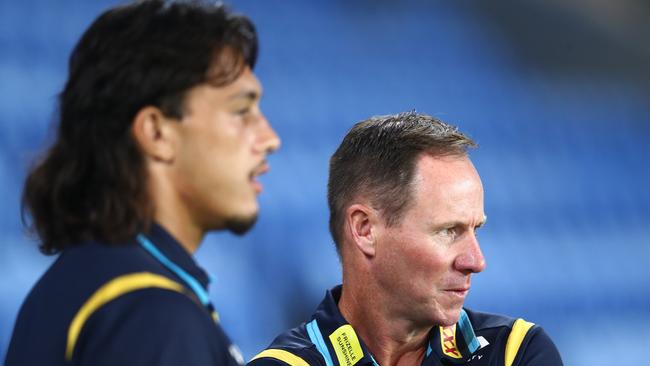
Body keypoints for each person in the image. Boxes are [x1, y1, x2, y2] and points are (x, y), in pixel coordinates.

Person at [5, 1, 280, 365]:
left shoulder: (95, 284)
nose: (270, 138)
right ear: (156, 132)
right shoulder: (152, 315)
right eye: (241, 110)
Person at [248, 112, 562, 366]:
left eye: (475, 229)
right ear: (365, 229)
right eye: (448, 231)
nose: (476, 262)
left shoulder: (515, 352)